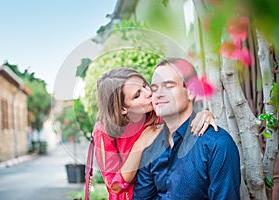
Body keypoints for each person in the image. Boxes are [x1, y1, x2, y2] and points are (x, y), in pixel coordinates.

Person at [91, 67, 218, 200]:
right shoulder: (104, 130)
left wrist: (204, 114)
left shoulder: (156, 111)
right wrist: (139, 145)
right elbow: (115, 186)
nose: (149, 93)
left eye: (145, 85)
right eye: (137, 95)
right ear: (123, 108)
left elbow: (183, 116)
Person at [133, 58, 241, 199]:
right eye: (154, 89)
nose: (158, 94)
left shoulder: (217, 145)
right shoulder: (150, 146)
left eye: (169, 86)